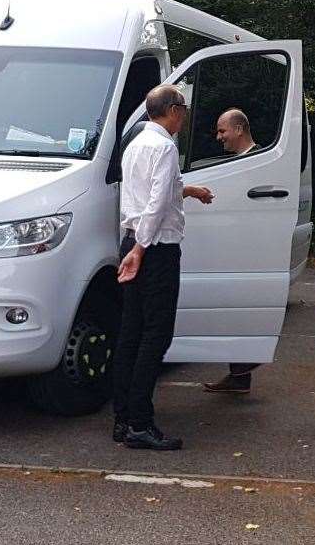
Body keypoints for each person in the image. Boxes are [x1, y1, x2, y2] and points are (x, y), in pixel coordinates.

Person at [111, 84, 214, 451]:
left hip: (132, 241)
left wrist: (188, 190)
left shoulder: (136, 144)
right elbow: (155, 203)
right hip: (153, 248)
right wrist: (141, 248)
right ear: (172, 110)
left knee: (131, 332)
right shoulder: (165, 147)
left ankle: (123, 418)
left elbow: (151, 192)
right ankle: (141, 422)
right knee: (156, 335)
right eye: (183, 108)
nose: (184, 115)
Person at [203, 108, 262, 395]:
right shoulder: (238, 161)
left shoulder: (258, 161)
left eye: (222, 130)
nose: (219, 137)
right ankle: (239, 376)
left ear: (239, 129)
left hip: (247, 248)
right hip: (234, 244)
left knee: (238, 310)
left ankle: (245, 365)